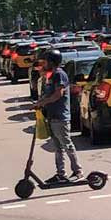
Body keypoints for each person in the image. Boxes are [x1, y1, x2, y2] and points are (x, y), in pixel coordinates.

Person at [34, 53, 82, 182]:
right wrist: (39, 103)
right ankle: (61, 173)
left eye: (45, 62)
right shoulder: (51, 75)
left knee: (66, 144)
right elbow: (46, 90)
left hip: (60, 116)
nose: (43, 65)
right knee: (57, 147)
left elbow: (58, 94)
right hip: (52, 116)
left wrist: (43, 103)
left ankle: (77, 171)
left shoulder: (60, 74)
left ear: (52, 62)